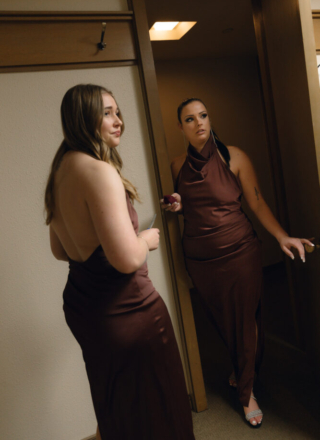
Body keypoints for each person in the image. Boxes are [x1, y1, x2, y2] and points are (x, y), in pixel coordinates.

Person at [44, 84, 195, 440]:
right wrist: (144, 239)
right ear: (83, 118)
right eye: (107, 113)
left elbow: (61, 250)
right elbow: (126, 259)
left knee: (120, 406)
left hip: (85, 307)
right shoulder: (99, 172)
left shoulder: (60, 169)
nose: (118, 121)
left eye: (117, 111)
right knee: (161, 409)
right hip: (128, 311)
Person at [161, 97, 312, 428]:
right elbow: (189, 205)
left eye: (203, 115)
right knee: (225, 322)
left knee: (245, 320)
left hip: (240, 250)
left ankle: (246, 392)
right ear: (180, 127)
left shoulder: (234, 157)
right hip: (200, 258)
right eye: (190, 119)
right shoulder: (175, 166)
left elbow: (257, 204)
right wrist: (177, 206)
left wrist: (282, 236)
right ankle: (244, 367)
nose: (199, 122)